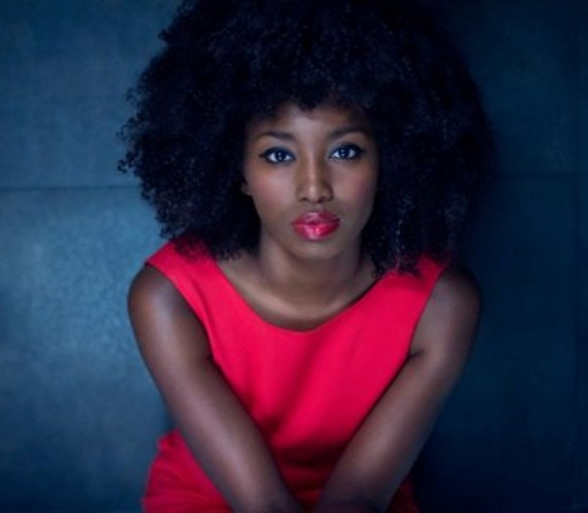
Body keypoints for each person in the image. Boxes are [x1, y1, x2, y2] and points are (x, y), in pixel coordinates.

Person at [119, 0, 493, 511]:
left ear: (391, 159)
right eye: (278, 155)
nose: (314, 187)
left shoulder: (442, 304)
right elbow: (262, 505)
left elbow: (359, 497)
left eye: (345, 151)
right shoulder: (170, 297)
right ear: (238, 172)